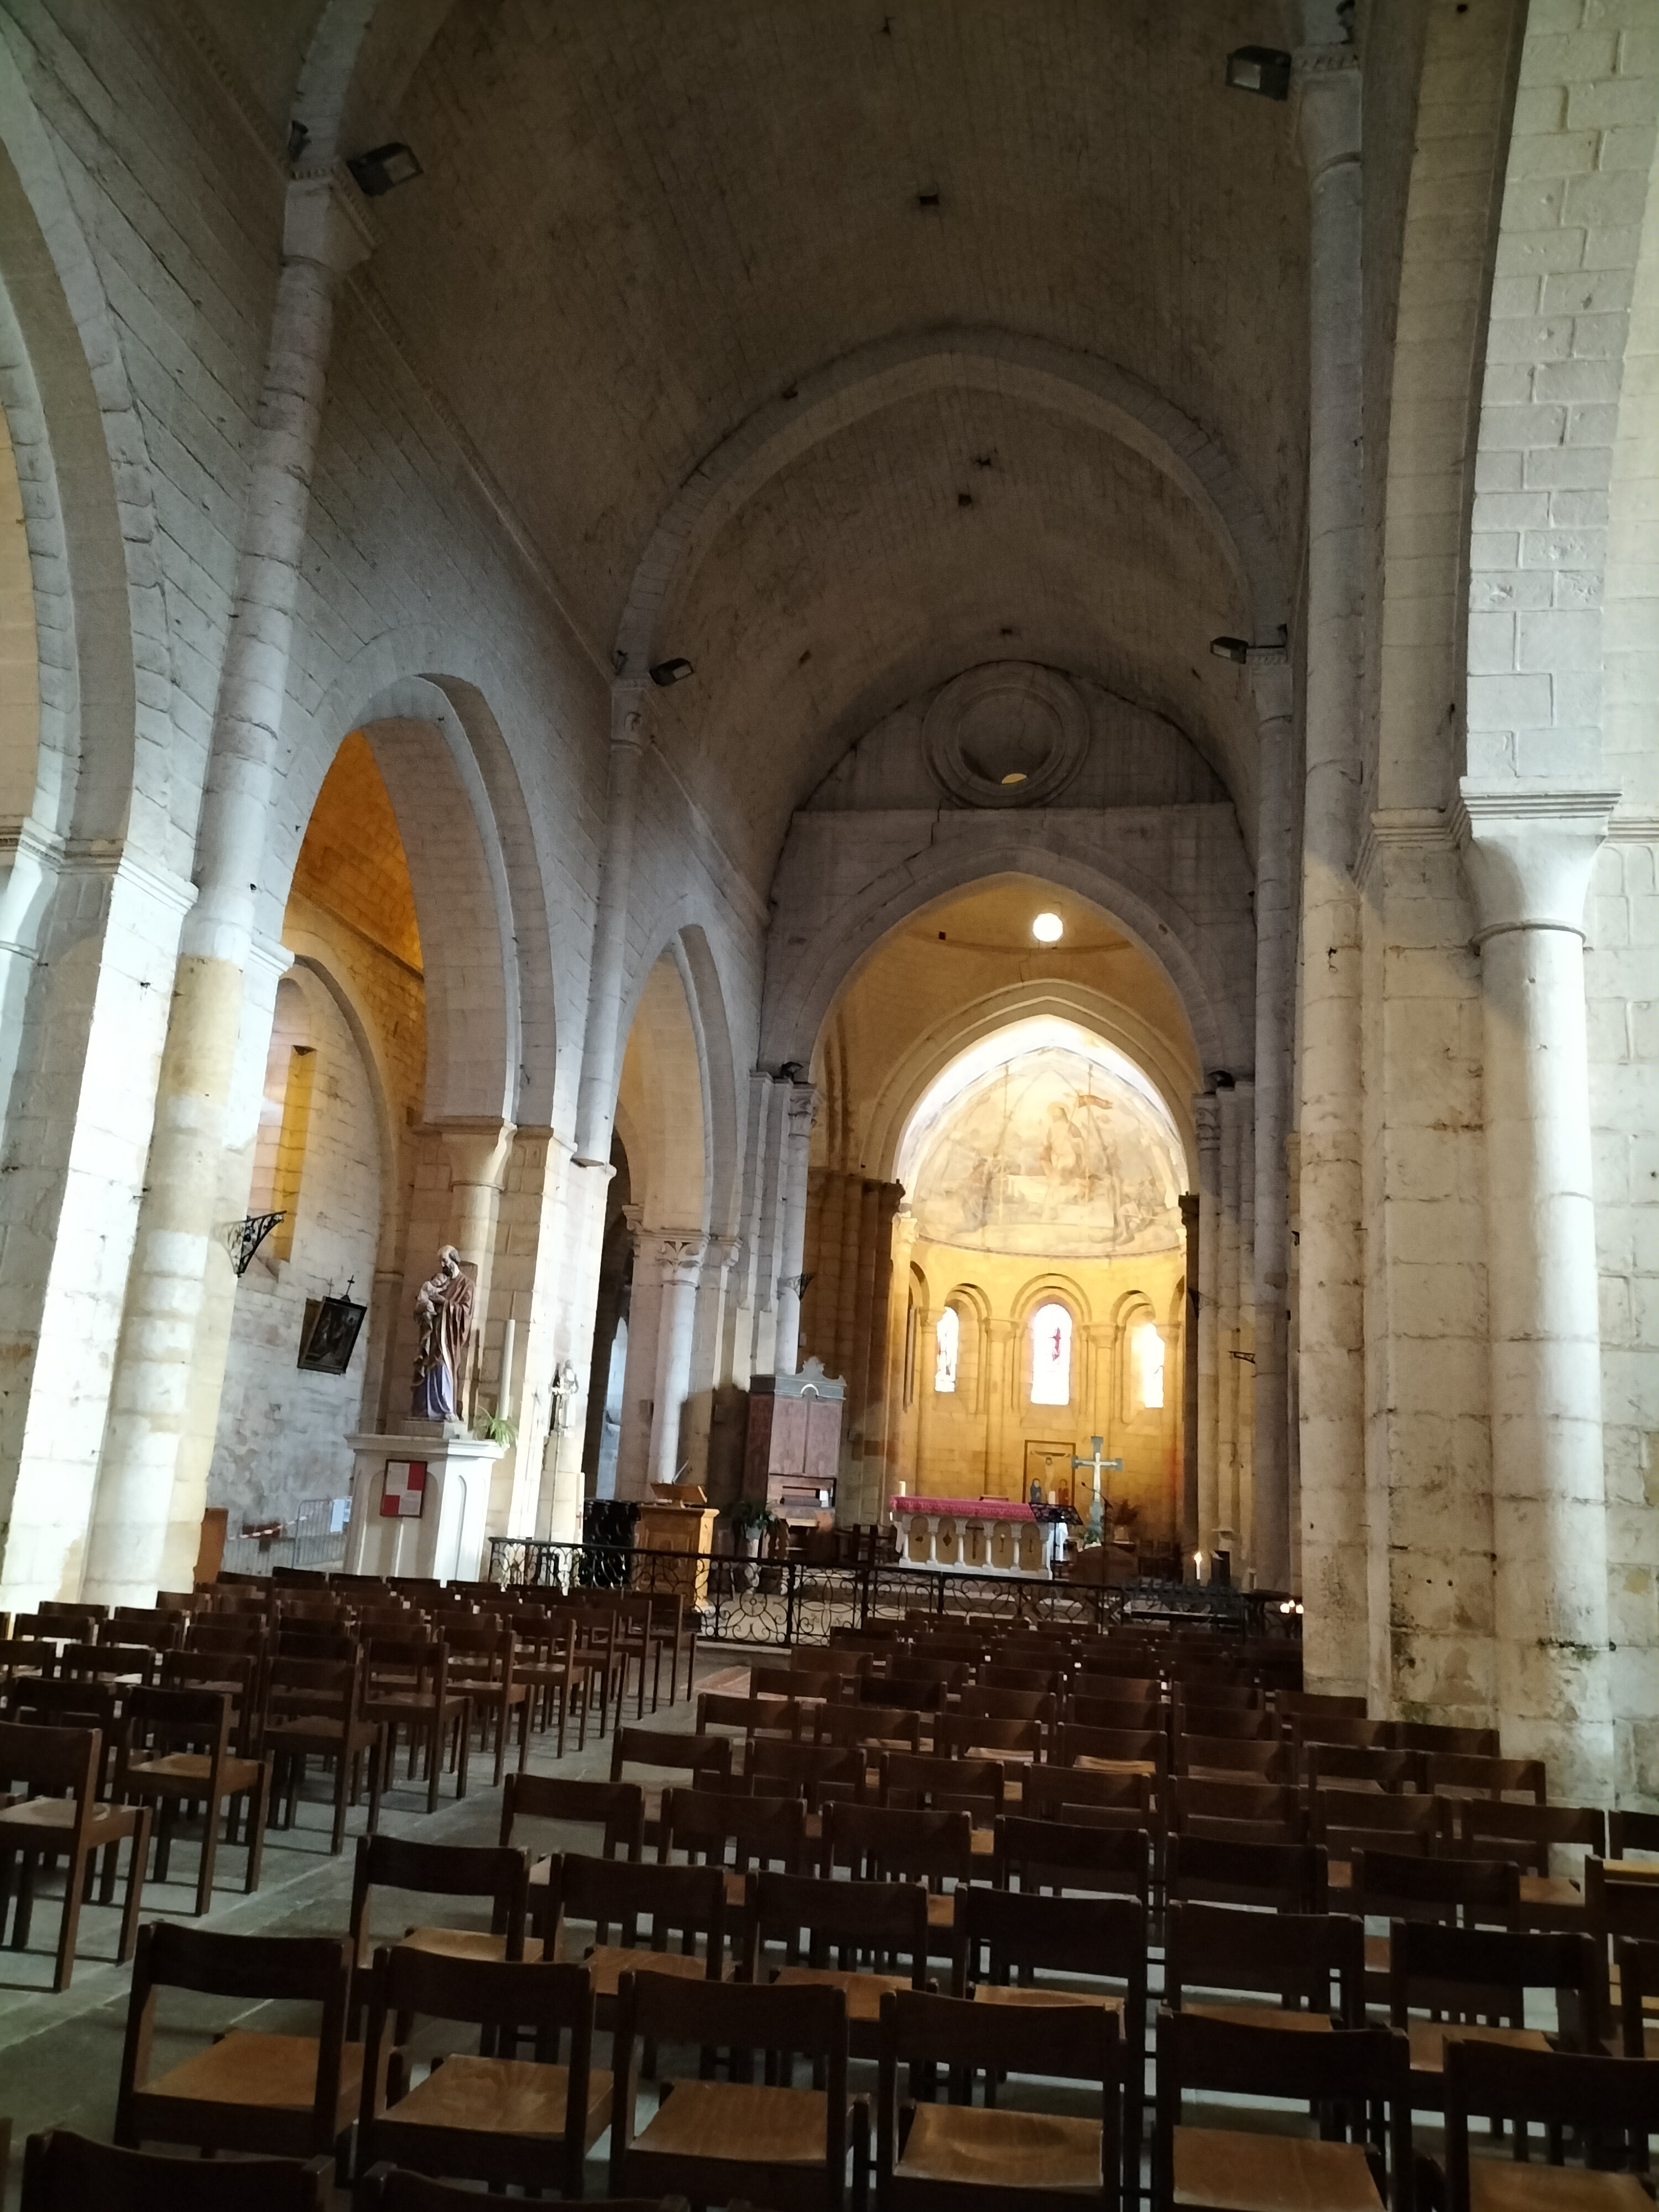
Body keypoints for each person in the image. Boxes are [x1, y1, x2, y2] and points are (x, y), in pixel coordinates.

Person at [411, 1244, 473, 1421]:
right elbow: (423, 1299)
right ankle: (425, 1409)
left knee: (442, 1367)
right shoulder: (440, 1281)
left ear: (454, 1260)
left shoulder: (467, 1285)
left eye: (445, 1261)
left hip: (448, 1339)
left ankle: (444, 1407)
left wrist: (444, 1303)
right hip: (432, 1332)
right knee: (427, 1366)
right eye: (441, 1262)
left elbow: (465, 1312)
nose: (443, 1265)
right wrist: (423, 1308)